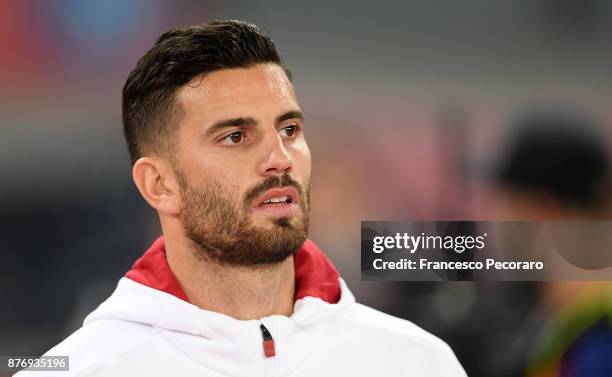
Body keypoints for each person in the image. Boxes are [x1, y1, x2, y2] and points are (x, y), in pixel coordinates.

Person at [16, 20, 466, 376]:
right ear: (159, 185)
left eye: (289, 130)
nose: (279, 158)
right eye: (235, 137)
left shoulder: (419, 363)